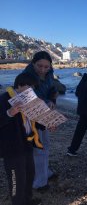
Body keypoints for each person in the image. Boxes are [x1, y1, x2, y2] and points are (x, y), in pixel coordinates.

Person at [0, 73, 42, 205]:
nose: (32, 91)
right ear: (19, 85)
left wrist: (48, 124)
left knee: (29, 175)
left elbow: (35, 120)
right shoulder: (4, 99)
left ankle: (27, 201)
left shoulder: (30, 100)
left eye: (33, 88)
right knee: (16, 181)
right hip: (12, 148)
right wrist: (9, 113)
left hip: (27, 143)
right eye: (29, 87)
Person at [23, 51, 58, 191]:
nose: (43, 70)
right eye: (39, 66)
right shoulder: (26, 77)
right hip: (31, 116)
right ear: (33, 63)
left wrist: (52, 100)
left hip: (45, 112)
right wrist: (45, 103)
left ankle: (44, 172)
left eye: (46, 67)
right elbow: (27, 98)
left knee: (46, 146)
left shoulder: (50, 74)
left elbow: (53, 89)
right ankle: (39, 182)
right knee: (38, 148)